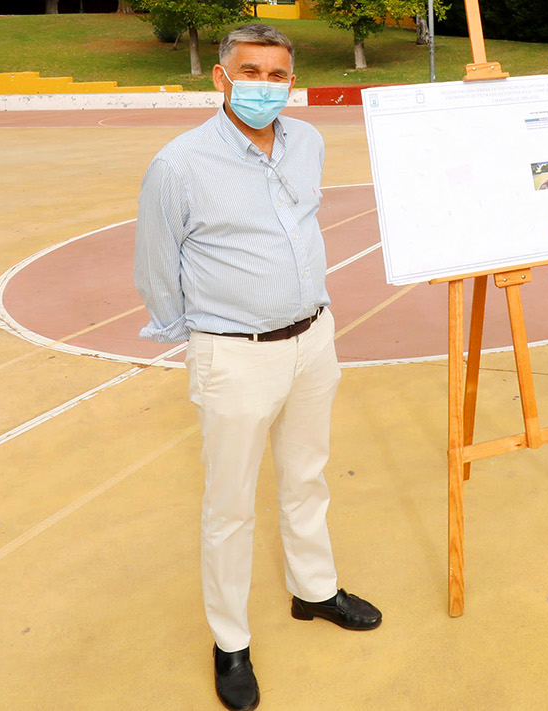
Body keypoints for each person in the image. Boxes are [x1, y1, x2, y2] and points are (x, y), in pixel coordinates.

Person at [133, 24, 381, 711]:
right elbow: (156, 270)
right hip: (234, 353)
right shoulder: (178, 165)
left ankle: (314, 589)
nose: (265, 86)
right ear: (220, 77)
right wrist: (207, 341)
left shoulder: (309, 141)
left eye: (278, 74)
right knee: (230, 506)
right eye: (252, 71)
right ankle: (230, 639)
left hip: (313, 340)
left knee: (307, 474)